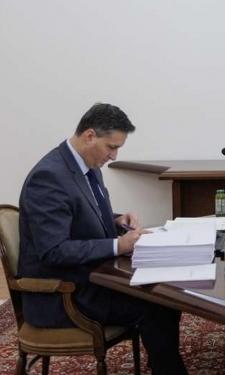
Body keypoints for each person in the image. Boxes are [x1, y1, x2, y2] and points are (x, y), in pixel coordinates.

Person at [18, 103, 188, 375]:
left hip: (91, 278)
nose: (114, 156)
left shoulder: (86, 165)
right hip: (64, 293)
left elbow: (80, 215)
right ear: (90, 136)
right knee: (157, 305)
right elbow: (53, 251)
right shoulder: (48, 177)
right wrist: (119, 244)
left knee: (165, 295)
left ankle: (162, 364)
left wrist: (116, 220)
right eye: (111, 147)